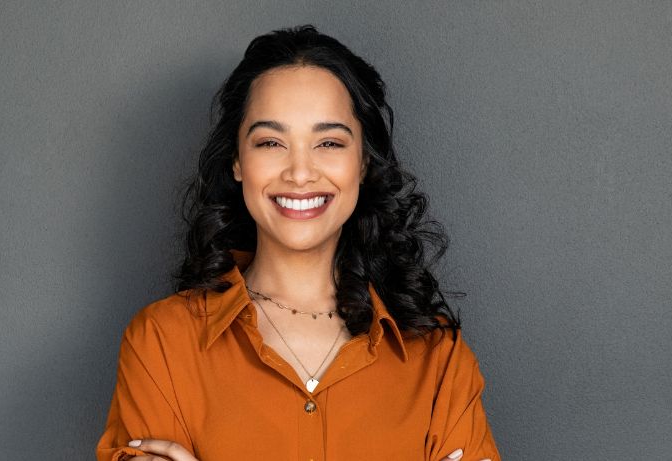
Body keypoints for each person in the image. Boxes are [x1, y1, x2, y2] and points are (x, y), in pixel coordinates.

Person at [96, 25, 500, 461]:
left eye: (329, 142)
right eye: (271, 142)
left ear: (362, 161)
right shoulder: (161, 343)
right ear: (236, 159)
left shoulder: (439, 359)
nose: (300, 172)